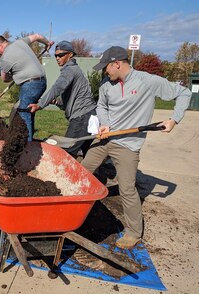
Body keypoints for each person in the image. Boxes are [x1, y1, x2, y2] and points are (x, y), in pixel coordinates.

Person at [80, 46, 192, 249]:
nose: (105, 72)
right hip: (106, 137)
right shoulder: (107, 84)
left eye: (107, 67)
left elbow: (184, 93)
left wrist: (174, 119)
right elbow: (101, 106)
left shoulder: (147, 81)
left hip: (128, 144)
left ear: (117, 63)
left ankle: (133, 232)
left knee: (127, 188)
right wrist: (104, 122)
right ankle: (75, 211)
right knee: (82, 172)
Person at [28, 41, 97, 157]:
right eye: (55, 55)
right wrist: (56, 101)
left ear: (70, 54)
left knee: (67, 152)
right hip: (88, 114)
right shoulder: (73, 70)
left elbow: (57, 88)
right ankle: (91, 173)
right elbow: (71, 97)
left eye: (61, 55)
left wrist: (40, 105)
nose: (57, 58)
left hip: (82, 117)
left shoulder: (70, 70)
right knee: (88, 153)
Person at [0, 34, 54, 141]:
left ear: (0, 45)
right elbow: (37, 36)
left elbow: (4, 79)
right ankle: (30, 140)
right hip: (42, 82)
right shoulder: (20, 42)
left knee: (23, 114)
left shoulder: (5, 58)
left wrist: (14, 75)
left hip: (30, 85)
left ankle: (27, 146)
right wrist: (47, 43)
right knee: (29, 111)